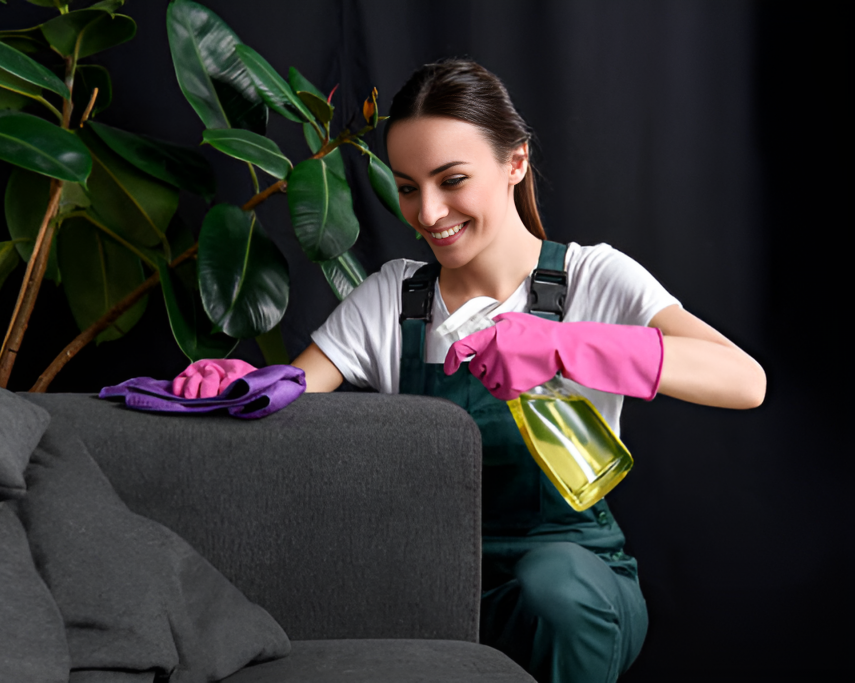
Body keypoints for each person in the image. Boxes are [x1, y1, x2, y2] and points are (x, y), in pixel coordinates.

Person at [172, 59, 766, 683]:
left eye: (452, 180)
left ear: (515, 163)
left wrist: (562, 346)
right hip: (430, 584)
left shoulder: (592, 278)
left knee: (554, 589)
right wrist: (233, 385)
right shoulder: (394, 298)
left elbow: (744, 380)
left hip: (577, 587)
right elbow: (293, 395)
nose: (428, 214)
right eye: (407, 188)